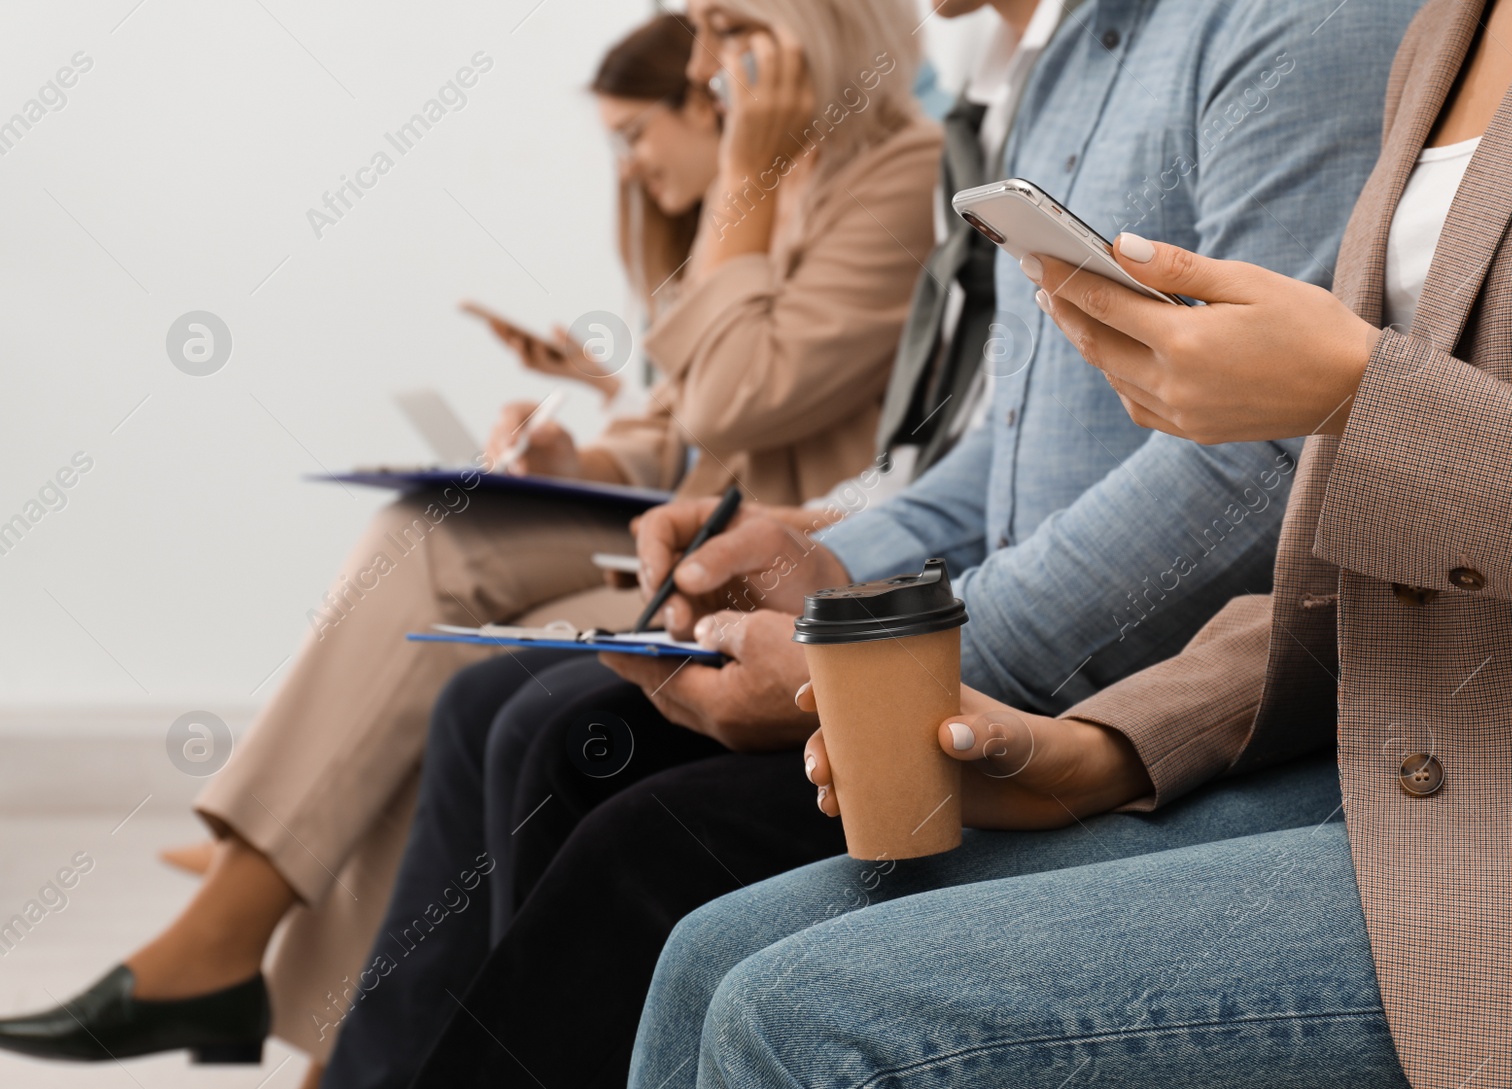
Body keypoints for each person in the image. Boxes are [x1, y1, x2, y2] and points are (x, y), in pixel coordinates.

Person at [334, 0, 1416, 1085]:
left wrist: (899, 662)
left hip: (1148, 683)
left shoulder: (1292, 25)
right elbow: (1008, 438)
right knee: (561, 734)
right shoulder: (1061, 66)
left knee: (640, 834)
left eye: (726, 30)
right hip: (1016, 636)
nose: (706, 70)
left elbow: (1262, 459)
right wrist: (840, 568)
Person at [631, 0, 1512, 1085]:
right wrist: (1117, 745)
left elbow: (1319, 444)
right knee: (706, 955)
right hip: (1401, 745)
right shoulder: (1441, 29)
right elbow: (1392, 561)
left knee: (790, 1013)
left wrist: (1358, 396)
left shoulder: (1322, 25)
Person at [0, 9, 940, 1085]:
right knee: (428, 554)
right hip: (679, 520)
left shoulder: (892, 177)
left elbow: (738, 395)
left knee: (453, 640)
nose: (698, 60)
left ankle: (275, 984)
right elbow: (683, 414)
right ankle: (290, 989)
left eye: (724, 27)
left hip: (768, 542)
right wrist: (574, 452)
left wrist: (744, 183)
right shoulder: (781, 180)